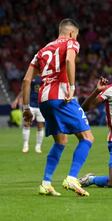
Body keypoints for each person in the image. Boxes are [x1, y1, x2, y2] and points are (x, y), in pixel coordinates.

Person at [22, 18, 94, 197]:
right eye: (75, 35)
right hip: (61, 96)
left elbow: (26, 80)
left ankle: (46, 183)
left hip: (43, 99)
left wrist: (25, 107)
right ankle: (72, 177)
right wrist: (71, 87)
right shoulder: (71, 42)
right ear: (71, 33)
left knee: (60, 141)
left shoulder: (41, 51)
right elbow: (70, 60)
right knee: (87, 137)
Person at [12, 75, 45, 153]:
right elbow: (24, 88)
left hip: (41, 105)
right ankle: (25, 145)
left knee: (40, 126)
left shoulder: (45, 76)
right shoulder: (31, 75)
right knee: (26, 124)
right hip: (30, 105)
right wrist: (17, 99)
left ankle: (38, 146)